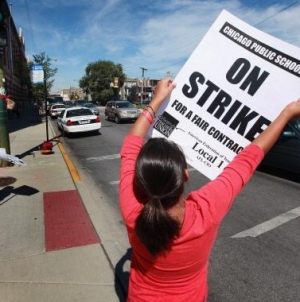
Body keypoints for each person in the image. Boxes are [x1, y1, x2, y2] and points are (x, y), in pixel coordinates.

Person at [119, 78, 300, 302]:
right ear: (185, 176)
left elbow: (132, 141)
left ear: (139, 181)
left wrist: (156, 100)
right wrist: (286, 114)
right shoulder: (206, 210)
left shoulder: (131, 209)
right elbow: (247, 160)